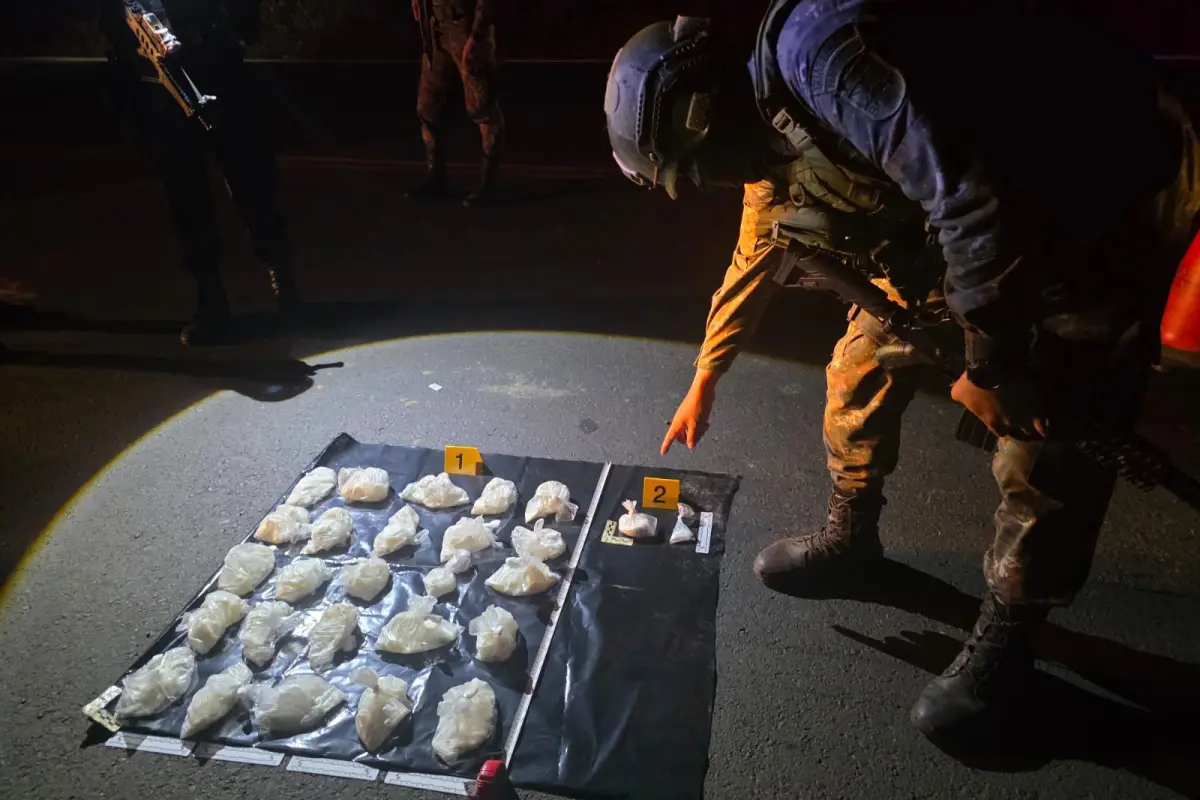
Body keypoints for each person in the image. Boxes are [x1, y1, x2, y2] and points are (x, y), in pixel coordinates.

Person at [604, 3, 1200, 740]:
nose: (708, 185)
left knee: (1046, 434)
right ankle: (853, 535)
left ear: (701, 122)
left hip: (1090, 200)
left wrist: (991, 363)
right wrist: (706, 376)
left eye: (693, 174)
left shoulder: (826, 61)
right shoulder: (767, 131)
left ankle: (1011, 639)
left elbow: (973, 199)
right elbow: (754, 256)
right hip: (972, 240)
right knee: (856, 371)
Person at [100, 0, 298, 346]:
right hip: (159, 85)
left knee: (250, 183)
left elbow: (245, 23)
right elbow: (114, 24)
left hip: (216, 67)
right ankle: (211, 296)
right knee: (188, 196)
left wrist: (223, 34)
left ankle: (282, 279)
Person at [407, 0, 505, 207]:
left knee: (482, 107)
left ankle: (489, 184)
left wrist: (478, 34)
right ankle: (436, 177)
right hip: (435, 26)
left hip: (465, 27)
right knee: (428, 107)